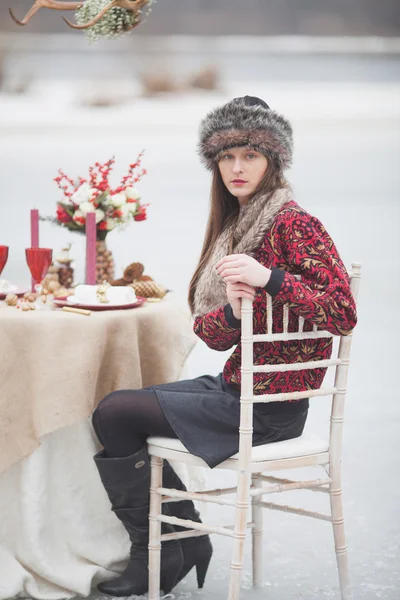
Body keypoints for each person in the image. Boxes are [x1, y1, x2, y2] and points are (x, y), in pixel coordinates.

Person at [91, 95, 357, 596]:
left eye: (250, 155)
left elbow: (342, 311)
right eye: (227, 156)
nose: (237, 167)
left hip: (270, 407)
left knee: (116, 411)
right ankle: (179, 541)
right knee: (115, 410)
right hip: (237, 386)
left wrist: (271, 277)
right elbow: (212, 337)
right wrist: (236, 309)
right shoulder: (237, 226)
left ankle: (170, 546)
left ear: (273, 159)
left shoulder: (293, 223)